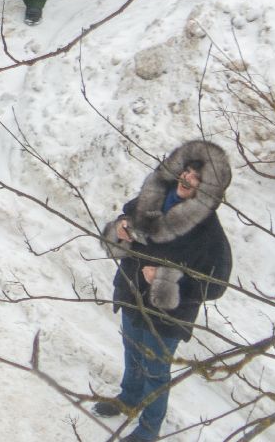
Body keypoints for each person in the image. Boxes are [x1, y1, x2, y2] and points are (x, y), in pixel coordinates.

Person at [96, 140, 234, 441]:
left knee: (156, 371)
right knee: (132, 352)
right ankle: (128, 398)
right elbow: (125, 222)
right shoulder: (150, 200)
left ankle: (149, 429)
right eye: (186, 171)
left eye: (197, 179)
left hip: (168, 314)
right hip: (132, 293)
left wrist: (167, 279)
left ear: (208, 189)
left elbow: (216, 284)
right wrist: (119, 229)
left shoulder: (209, 232)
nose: (187, 179)